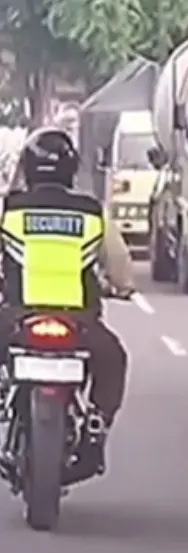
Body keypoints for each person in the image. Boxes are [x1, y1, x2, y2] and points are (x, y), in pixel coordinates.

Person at [0, 128, 134, 482]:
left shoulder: (8, 209)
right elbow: (120, 267)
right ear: (71, 169)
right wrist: (122, 288)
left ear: (28, 169)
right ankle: (95, 424)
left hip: (15, 319)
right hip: (80, 325)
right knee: (113, 360)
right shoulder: (92, 213)